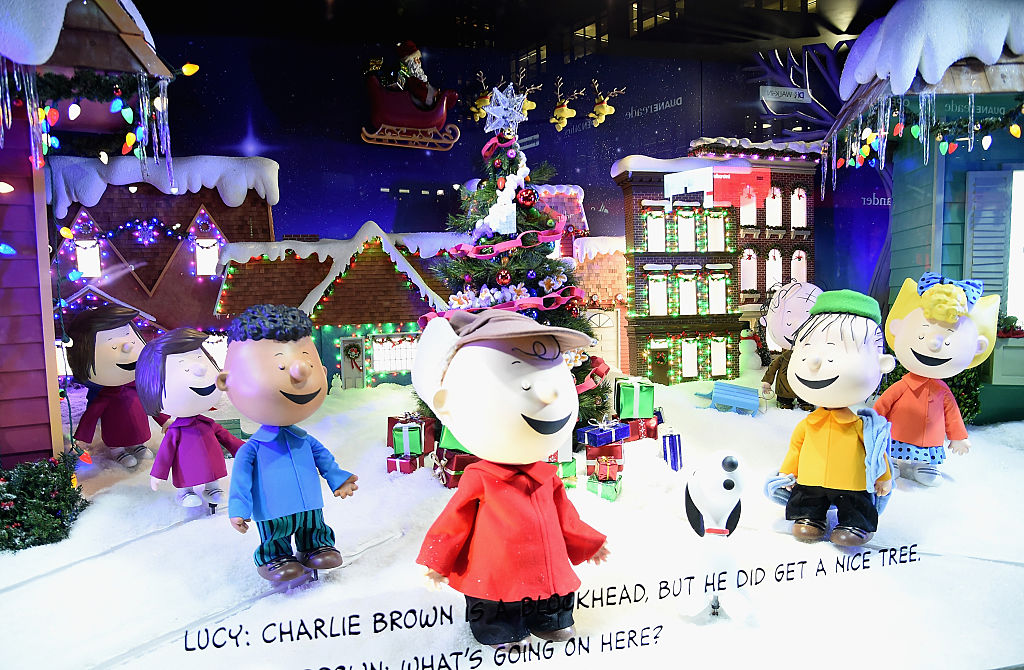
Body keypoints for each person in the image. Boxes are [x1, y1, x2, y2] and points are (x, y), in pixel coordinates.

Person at [412, 309, 609, 648]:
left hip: (545, 565)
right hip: (496, 568)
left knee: (553, 590)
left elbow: (567, 519)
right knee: (496, 597)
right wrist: (436, 562)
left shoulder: (547, 477)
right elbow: (453, 523)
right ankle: (500, 630)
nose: (548, 396)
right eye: (525, 382)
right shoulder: (480, 478)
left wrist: (590, 543)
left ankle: (551, 621)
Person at [219, 305, 358, 583]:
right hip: (272, 508)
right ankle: (275, 557)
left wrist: (339, 479)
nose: (299, 371)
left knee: (313, 525)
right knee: (275, 534)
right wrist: (239, 511)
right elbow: (240, 481)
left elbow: (325, 460)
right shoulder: (251, 450)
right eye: (279, 366)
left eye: (308, 362)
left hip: (309, 503)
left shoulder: (304, 440)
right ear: (226, 382)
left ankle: (316, 545)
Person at [776, 290, 895, 547]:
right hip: (810, 479)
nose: (815, 361)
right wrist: (787, 472)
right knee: (807, 497)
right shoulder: (807, 424)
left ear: (881, 363)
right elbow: (795, 449)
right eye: (806, 350)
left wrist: (883, 476)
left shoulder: (861, 426)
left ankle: (855, 523)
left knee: (855, 502)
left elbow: (875, 452)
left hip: (851, 482)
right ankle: (810, 517)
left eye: (834, 354)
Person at [873, 274, 999, 486]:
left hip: (930, 439)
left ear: (978, 346)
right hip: (898, 434)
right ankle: (892, 463)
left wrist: (958, 436)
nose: (933, 344)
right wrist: (872, 423)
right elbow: (882, 405)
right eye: (921, 336)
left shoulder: (942, 391)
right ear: (897, 328)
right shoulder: (902, 386)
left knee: (927, 457)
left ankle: (926, 465)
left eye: (947, 341)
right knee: (893, 451)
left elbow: (952, 415)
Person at [136, 328, 243, 507]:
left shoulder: (208, 424)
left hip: (211, 463)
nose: (201, 369)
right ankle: (185, 492)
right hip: (187, 466)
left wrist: (243, 450)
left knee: (212, 472)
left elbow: (228, 439)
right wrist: (157, 474)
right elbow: (165, 454)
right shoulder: (176, 431)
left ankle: (212, 488)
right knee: (187, 474)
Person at [65, 305, 168, 467]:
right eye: (114, 346)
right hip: (115, 433)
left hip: (138, 428)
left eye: (132, 341)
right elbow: (91, 416)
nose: (128, 347)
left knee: (138, 431)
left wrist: (165, 421)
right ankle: (118, 451)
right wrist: (82, 438)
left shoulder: (138, 388)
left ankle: (138, 445)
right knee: (116, 435)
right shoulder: (106, 396)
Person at [760, 281, 822, 410]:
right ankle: (785, 401)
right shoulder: (784, 357)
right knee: (785, 394)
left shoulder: (811, 356)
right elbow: (773, 367)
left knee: (805, 390)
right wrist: (767, 382)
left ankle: (805, 401)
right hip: (785, 387)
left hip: (805, 386)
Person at [394, 39, 436, 108]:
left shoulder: (417, 80)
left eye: (418, 59)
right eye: (415, 59)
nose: (418, 61)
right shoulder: (412, 80)